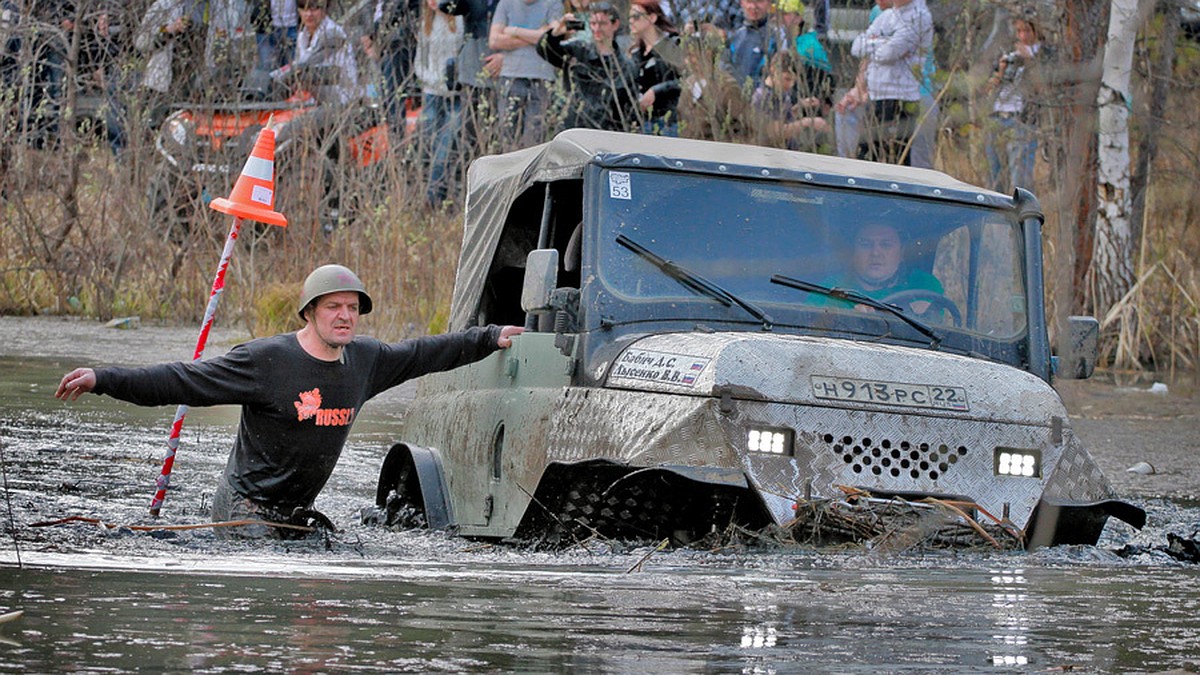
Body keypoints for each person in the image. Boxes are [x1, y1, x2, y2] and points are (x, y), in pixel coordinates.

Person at [54, 264, 525, 539]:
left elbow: (425, 353)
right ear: (310, 312)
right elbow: (181, 380)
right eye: (333, 307)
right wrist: (103, 378)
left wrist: (489, 336)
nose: (345, 317)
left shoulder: (366, 360)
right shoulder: (265, 361)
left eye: (352, 308)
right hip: (245, 509)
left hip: (296, 512)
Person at [849, 0, 931, 165]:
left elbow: (889, 53)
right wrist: (886, 41)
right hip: (877, 96)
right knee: (865, 155)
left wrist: (878, 42)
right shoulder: (887, 16)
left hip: (900, 98)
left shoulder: (919, 16)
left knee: (896, 160)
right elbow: (857, 47)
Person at [536, 2, 637, 131]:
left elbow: (628, 109)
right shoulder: (578, 51)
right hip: (572, 127)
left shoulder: (626, 66)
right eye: (593, 24)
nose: (596, 29)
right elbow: (544, 50)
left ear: (615, 24)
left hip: (607, 132)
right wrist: (556, 32)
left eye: (602, 24)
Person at [814, 222, 943, 312]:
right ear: (853, 252)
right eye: (865, 244)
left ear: (901, 252)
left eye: (886, 245)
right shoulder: (829, 289)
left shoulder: (923, 284)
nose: (875, 253)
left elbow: (933, 331)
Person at [489, 0, 561, 148]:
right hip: (510, 76)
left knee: (536, 141)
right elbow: (494, 41)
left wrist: (514, 31)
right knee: (507, 137)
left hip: (542, 79)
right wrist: (537, 35)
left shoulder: (553, 4)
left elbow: (553, 37)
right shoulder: (505, 3)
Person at [985, 17, 1043, 194]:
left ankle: (1022, 218)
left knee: (1020, 178)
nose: (1023, 35)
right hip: (997, 116)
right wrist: (1001, 70)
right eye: (1019, 31)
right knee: (994, 176)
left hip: (1021, 119)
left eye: (1027, 31)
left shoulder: (1044, 54)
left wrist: (1029, 61)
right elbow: (988, 87)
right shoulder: (1009, 52)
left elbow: (1044, 87)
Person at [414, 0, 464, 206]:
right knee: (428, 142)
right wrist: (427, 79)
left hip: (454, 92)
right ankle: (427, 192)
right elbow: (420, 59)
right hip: (431, 91)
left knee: (445, 145)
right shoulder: (426, 22)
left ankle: (434, 197)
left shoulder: (460, 20)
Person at [750, 49, 828, 151]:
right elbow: (777, 133)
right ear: (773, 69)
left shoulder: (781, 94)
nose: (790, 85)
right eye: (787, 79)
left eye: (793, 81)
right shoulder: (763, 97)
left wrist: (799, 107)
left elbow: (784, 119)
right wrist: (807, 122)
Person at [628, 0, 682, 136]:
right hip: (644, 122)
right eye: (629, 17)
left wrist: (656, 91)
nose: (631, 21)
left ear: (652, 17)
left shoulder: (672, 46)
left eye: (636, 17)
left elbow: (687, 81)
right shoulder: (636, 52)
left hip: (670, 121)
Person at [722, 0, 779, 89]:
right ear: (742, 3)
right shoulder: (736, 36)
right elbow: (725, 66)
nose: (753, 6)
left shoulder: (776, 38)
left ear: (769, 3)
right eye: (749, 1)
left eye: (759, 2)